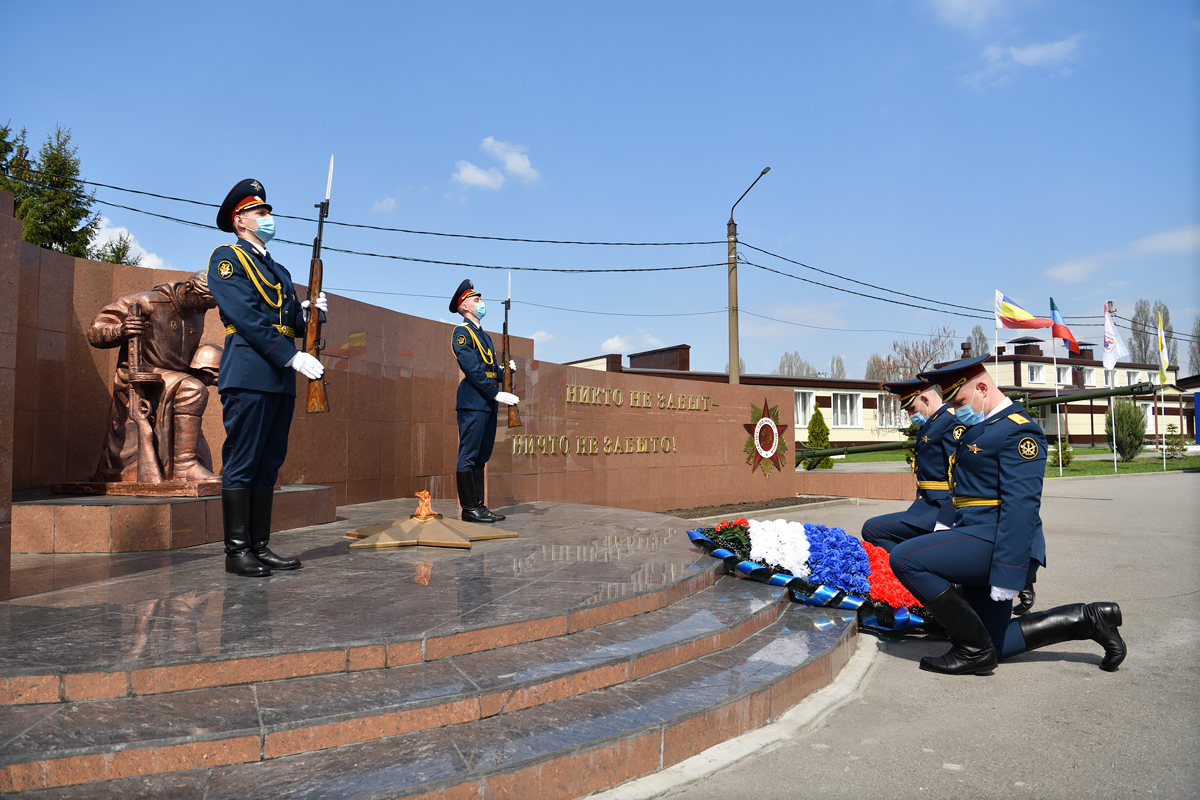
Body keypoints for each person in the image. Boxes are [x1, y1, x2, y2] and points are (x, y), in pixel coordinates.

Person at [886, 354, 1125, 675]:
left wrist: (1009, 573)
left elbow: (1021, 507)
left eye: (958, 401)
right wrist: (944, 528)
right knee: (995, 645)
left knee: (905, 558)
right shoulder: (984, 429)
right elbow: (959, 486)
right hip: (976, 536)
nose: (955, 411)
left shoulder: (1018, 432)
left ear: (982, 388)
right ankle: (1090, 619)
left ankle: (971, 650)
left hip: (1000, 543)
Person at [207, 179, 328, 577]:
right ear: (240, 220)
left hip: (279, 377)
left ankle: (259, 545)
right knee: (242, 461)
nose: (268, 218)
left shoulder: (278, 269)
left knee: (268, 464)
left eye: (268, 212)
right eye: (261, 213)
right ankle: (236, 551)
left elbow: (288, 320)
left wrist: (311, 312)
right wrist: (292, 356)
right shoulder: (227, 259)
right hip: (250, 371)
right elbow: (246, 317)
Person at [87, 272, 220, 482]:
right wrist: (121, 329)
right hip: (144, 375)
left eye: (209, 307)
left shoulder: (198, 312)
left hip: (174, 380)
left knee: (194, 385)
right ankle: (185, 466)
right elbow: (95, 331)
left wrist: (203, 375)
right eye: (202, 303)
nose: (202, 310)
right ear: (188, 289)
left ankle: (186, 463)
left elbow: (178, 363)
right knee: (192, 389)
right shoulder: (148, 302)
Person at [861, 379, 960, 552]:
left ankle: (905, 572)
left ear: (925, 400)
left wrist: (945, 519)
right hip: (926, 506)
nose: (910, 415)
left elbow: (959, 474)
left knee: (872, 530)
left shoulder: (949, 422)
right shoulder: (935, 423)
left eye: (912, 409)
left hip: (939, 510)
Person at [450, 279, 518, 523]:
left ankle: (479, 506)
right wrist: (494, 392)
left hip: (487, 402)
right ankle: (469, 509)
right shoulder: (462, 333)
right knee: (468, 454)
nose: (481, 304)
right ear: (465, 306)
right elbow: (471, 368)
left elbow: (489, 369)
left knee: (481, 456)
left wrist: (505, 372)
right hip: (473, 401)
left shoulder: (485, 337)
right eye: (476, 301)